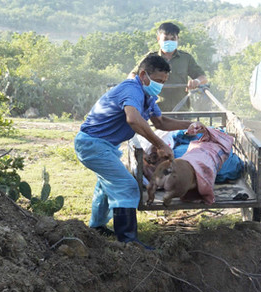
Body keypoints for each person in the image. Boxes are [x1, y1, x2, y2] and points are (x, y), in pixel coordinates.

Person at [75, 54, 204, 247]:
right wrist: (160, 145)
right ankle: (128, 241)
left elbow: (160, 122)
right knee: (126, 186)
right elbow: (133, 119)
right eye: (158, 80)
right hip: (93, 145)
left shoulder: (147, 96)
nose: (160, 85)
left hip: (104, 145)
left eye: (164, 82)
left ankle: (97, 226)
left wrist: (190, 124)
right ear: (143, 75)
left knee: (106, 183)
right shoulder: (131, 89)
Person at [129, 22, 208, 112]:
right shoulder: (151, 58)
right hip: (155, 112)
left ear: (178, 39)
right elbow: (132, 76)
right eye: (166, 39)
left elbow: (203, 78)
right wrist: (143, 83)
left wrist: (196, 81)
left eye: (173, 39)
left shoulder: (186, 58)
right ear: (158, 39)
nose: (169, 42)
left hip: (181, 112)